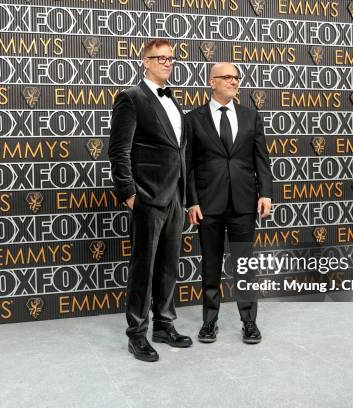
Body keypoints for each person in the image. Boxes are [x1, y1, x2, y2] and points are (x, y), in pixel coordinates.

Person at [108, 39, 192, 362]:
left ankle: (164, 325)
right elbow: (118, 151)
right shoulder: (131, 98)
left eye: (170, 58)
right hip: (146, 197)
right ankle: (136, 334)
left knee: (169, 266)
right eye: (160, 58)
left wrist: (184, 195)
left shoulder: (173, 101)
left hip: (174, 198)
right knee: (143, 268)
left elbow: (177, 151)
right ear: (145, 61)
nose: (167, 63)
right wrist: (130, 194)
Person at [186, 62, 273, 344]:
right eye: (227, 77)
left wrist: (266, 193)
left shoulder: (251, 116)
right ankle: (209, 323)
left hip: (244, 203)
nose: (234, 82)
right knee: (210, 265)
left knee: (244, 265)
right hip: (208, 205)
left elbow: (261, 158)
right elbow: (187, 166)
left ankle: (249, 322)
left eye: (237, 78)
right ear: (212, 81)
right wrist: (192, 202)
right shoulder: (194, 118)